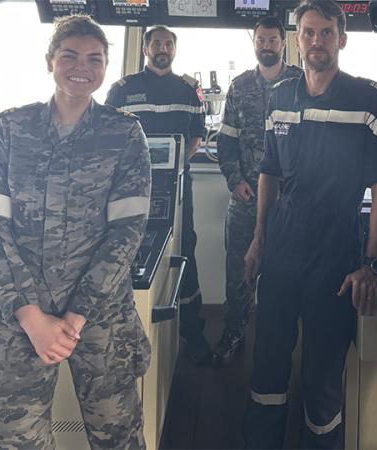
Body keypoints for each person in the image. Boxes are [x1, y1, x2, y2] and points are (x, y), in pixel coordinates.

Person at [0, 15, 151, 449]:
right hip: (19, 318)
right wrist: (31, 317)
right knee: (18, 441)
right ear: (50, 61)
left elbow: (125, 236)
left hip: (99, 318)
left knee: (117, 437)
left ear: (105, 68)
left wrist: (73, 319)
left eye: (94, 59)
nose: (82, 66)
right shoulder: (11, 129)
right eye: (69, 55)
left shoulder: (124, 134)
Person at [242, 1, 377, 447]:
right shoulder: (280, 98)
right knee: (268, 362)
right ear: (297, 38)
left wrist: (374, 263)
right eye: (308, 32)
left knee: (323, 373)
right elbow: (268, 173)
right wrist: (259, 241)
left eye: (325, 33)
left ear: (341, 39)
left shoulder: (369, 99)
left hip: (335, 251)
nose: (316, 41)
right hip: (282, 248)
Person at [105, 25, 212, 365]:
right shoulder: (124, 89)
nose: (162, 48)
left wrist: (176, 166)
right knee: (132, 249)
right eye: (157, 43)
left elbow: (197, 136)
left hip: (178, 185)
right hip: (130, 186)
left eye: (168, 43)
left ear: (174, 50)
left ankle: (193, 333)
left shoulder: (189, 90)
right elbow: (110, 134)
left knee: (185, 248)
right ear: (146, 48)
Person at [214, 16, 302, 368]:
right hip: (247, 196)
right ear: (254, 43)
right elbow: (225, 141)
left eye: (272, 40)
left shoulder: (301, 82)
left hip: (290, 202)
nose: (266, 45)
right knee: (238, 272)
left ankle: (280, 342)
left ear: (284, 43)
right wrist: (235, 180)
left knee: (287, 273)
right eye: (260, 40)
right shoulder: (239, 87)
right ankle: (234, 331)